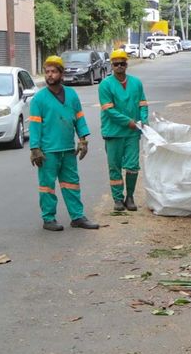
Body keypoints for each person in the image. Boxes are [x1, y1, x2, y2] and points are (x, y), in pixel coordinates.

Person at [28, 55, 100, 231]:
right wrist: (35, 148)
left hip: (68, 149)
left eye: (53, 71)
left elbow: (79, 118)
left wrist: (83, 140)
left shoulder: (71, 94)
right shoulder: (39, 99)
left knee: (72, 184)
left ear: (61, 73)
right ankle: (48, 219)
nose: (50, 75)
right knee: (47, 187)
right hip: (48, 151)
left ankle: (77, 217)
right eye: (47, 72)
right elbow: (35, 125)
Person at [98, 49, 149, 212]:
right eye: (116, 64)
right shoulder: (105, 85)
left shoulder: (136, 83)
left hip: (133, 133)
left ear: (127, 64)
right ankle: (118, 199)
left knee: (133, 166)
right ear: (111, 66)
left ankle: (130, 196)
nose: (120, 66)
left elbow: (143, 104)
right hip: (113, 133)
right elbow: (109, 111)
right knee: (115, 166)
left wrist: (143, 120)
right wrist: (129, 122)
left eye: (122, 63)